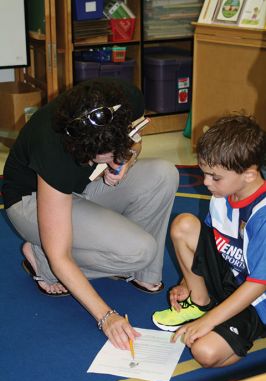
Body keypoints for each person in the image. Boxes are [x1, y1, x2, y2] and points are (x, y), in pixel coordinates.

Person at [2, 78, 179, 350]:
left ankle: (142, 272)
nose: (109, 159)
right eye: (101, 157)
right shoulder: (53, 147)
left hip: (81, 186)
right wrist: (106, 317)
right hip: (31, 202)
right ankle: (42, 261)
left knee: (164, 174)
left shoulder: (125, 97)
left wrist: (125, 160)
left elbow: (136, 140)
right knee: (138, 249)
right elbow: (61, 254)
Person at [152, 115, 266, 368]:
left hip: (257, 300)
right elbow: (208, 245)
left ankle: (248, 330)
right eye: (204, 173)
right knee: (184, 225)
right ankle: (200, 301)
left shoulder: (263, 215)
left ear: (248, 174)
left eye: (215, 177)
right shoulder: (222, 196)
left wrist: (210, 322)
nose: (205, 183)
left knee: (204, 352)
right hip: (231, 278)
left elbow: (258, 284)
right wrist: (186, 283)